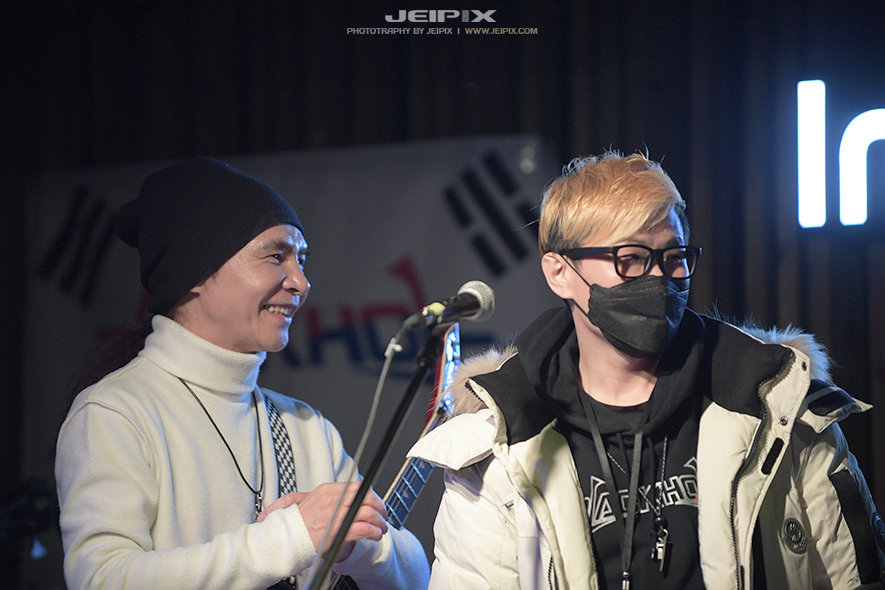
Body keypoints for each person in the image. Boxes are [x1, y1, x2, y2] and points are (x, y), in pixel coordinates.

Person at [409, 150, 885, 589]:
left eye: (674, 258)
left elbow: (856, 577)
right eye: (631, 259)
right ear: (560, 273)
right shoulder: (498, 444)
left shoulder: (781, 404)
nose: (659, 278)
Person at [55, 156, 430, 590]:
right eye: (276, 257)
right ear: (196, 271)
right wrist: (293, 536)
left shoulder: (304, 426)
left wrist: (357, 550)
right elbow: (101, 578)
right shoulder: (115, 412)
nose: (301, 282)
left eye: (301, 260)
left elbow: (415, 575)